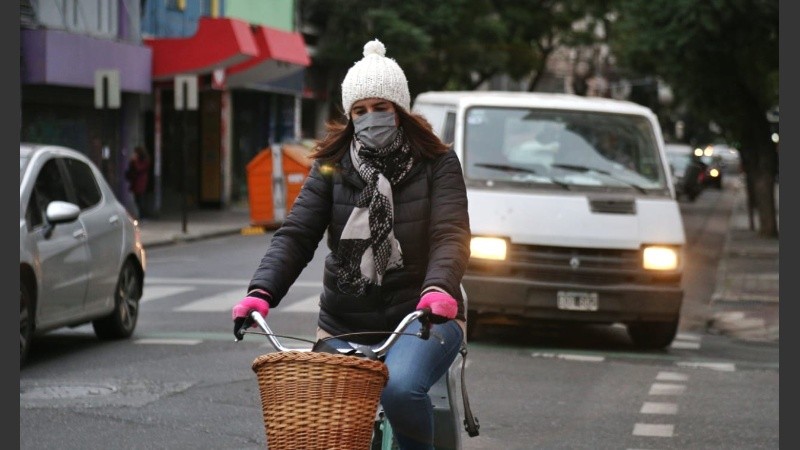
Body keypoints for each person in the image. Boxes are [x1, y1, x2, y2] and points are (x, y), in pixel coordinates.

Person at [231, 38, 471, 450]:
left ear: (400, 110)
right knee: (324, 423)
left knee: (401, 390)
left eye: (380, 108)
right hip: (345, 323)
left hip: (423, 320)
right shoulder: (331, 167)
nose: (370, 118)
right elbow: (297, 234)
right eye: (359, 111)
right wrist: (260, 292)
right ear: (349, 116)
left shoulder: (438, 163)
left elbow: (450, 234)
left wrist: (438, 290)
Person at [126, 145, 151, 219]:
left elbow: (139, 168)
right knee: (137, 200)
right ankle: (141, 215)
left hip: (140, 182)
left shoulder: (144, 161)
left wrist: (134, 161)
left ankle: (142, 215)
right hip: (135, 182)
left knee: (140, 200)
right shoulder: (135, 161)